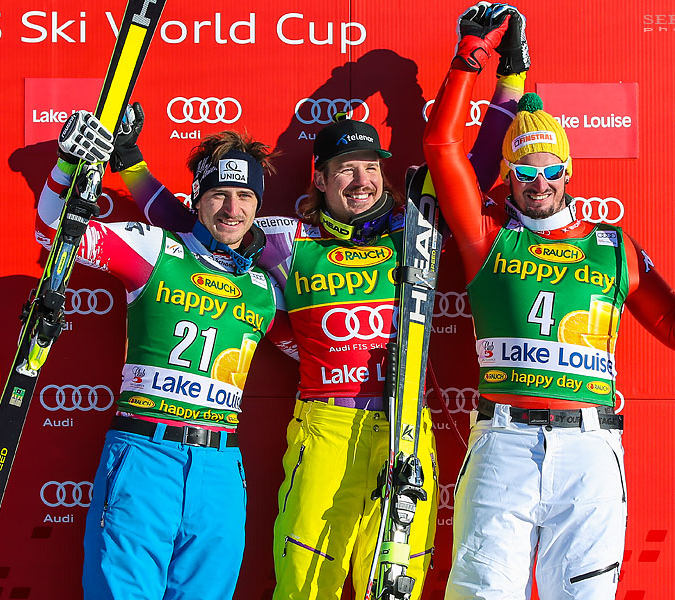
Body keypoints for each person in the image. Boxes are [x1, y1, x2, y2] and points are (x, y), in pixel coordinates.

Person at [108, 46, 527, 595]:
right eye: (346, 169)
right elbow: (196, 227)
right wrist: (132, 166)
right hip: (326, 426)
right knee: (306, 585)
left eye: (371, 167)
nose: (362, 180)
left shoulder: (416, 228)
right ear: (322, 180)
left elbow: (471, 172)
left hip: (404, 428)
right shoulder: (286, 239)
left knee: (395, 585)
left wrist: (508, 77)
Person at [422, 5, 675, 600]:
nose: (539, 183)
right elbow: (441, 143)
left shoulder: (611, 246)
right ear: (508, 175)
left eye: (551, 170)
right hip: (504, 444)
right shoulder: (486, 235)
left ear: (569, 171)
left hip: (589, 449)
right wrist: (469, 55)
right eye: (524, 172)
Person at [39, 114, 294, 600]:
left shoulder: (265, 288)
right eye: (219, 194)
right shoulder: (153, 248)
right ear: (197, 198)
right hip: (145, 455)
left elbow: (317, 355)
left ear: (258, 206)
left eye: (245, 196)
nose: (232, 208)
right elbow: (53, 233)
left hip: (220, 468)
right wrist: (67, 165)